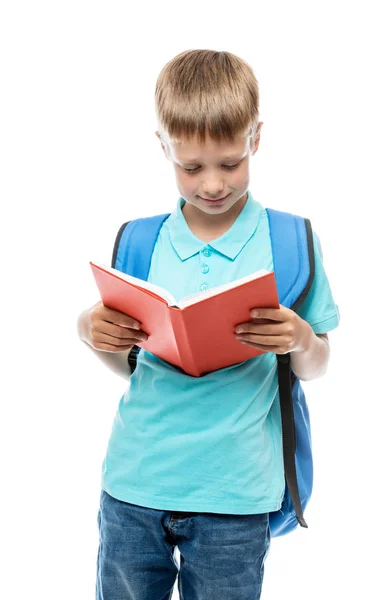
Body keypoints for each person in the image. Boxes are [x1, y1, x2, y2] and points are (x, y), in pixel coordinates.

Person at [77, 49, 340, 600]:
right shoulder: (139, 241)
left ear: (256, 139)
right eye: (191, 167)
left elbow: (318, 364)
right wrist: (91, 331)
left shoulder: (290, 241)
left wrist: (299, 339)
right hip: (134, 482)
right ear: (164, 147)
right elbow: (131, 363)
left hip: (236, 495)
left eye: (230, 162)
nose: (213, 184)